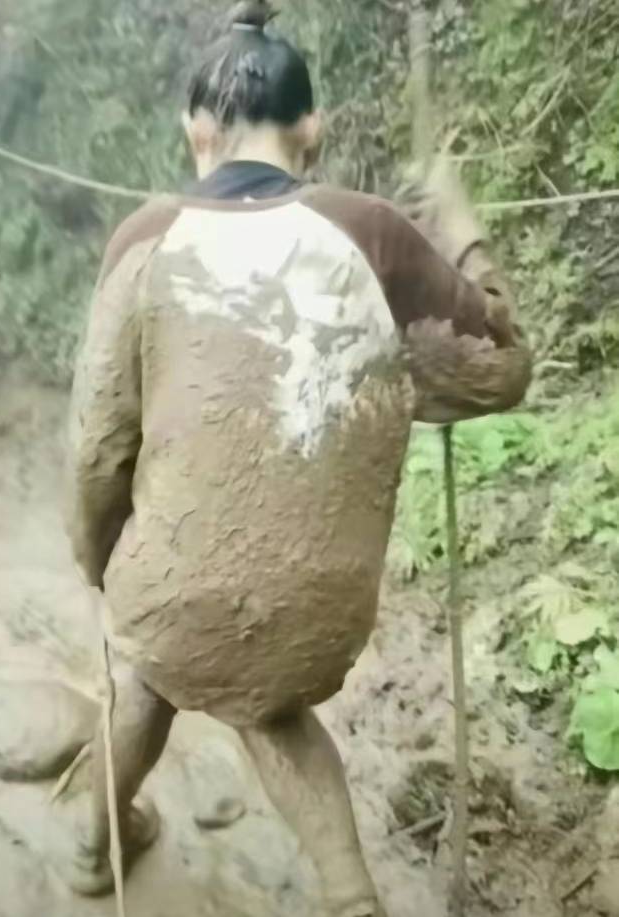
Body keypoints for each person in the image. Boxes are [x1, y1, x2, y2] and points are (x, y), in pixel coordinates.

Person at [63, 2, 532, 915]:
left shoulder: (145, 241)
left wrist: (95, 558)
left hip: (171, 595)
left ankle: (94, 846)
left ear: (195, 130)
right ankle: (352, 896)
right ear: (314, 130)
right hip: (320, 611)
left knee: (149, 660)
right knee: (263, 693)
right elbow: (500, 373)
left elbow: (95, 445)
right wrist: (462, 223)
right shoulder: (376, 234)